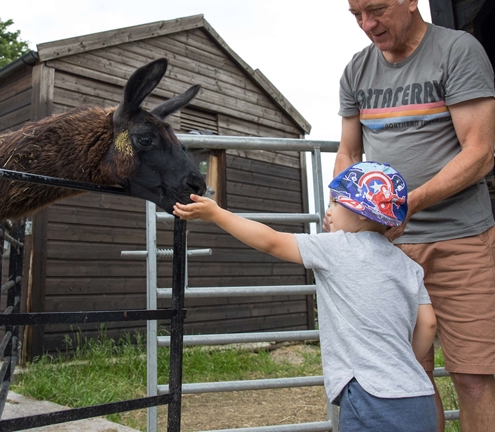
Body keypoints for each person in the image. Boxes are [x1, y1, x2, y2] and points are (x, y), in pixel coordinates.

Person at [332, 0, 495, 431]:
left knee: (473, 377)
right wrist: (344, 207)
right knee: (410, 375)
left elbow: (478, 153)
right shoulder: (356, 70)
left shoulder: (457, 51)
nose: (367, 24)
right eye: (357, 14)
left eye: (377, 10)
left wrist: (406, 204)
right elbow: (348, 152)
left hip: (460, 240)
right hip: (389, 247)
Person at [175, 161, 438, 432]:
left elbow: (271, 241)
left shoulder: (336, 247)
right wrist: (403, 365)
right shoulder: (409, 265)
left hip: (371, 397)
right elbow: (428, 323)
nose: (329, 211)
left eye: (336, 203)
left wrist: (218, 214)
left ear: (361, 213)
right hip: (419, 396)